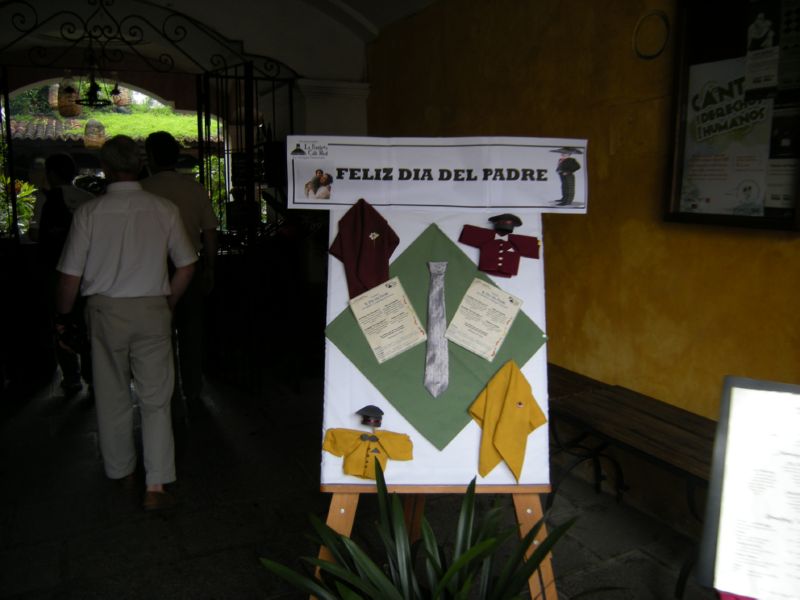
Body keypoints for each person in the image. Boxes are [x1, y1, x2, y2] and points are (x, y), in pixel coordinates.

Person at [55, 135, 197, 511]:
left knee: (112, 394)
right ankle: (156, 484)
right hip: (153, 309)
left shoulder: (89, 213)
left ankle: (122, 472)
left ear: (105, 168)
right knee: (156, 399)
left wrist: (63, 318)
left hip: (105, 312)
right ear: (140, 165)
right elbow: (187, 265)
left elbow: (70, 277)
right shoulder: (164, 209)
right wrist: (168, 302)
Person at [141, 131, 218, 418]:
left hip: (152, 270)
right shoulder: (194, 189)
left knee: (156, 332)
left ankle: (164, 389)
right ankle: (193, 387)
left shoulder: (142, 190)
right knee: (191, 330)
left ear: (150, 156)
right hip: (190, 266)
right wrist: (210, 267)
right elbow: (209, 232)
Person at [37, 153, 94, 395]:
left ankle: (71, 377)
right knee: (88, 324)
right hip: (88, 271)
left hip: (57, 270)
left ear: (51, 173)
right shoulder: (88, 199)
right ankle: (92, 377)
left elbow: (36, 233)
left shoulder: (46, 199)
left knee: (61, 321)